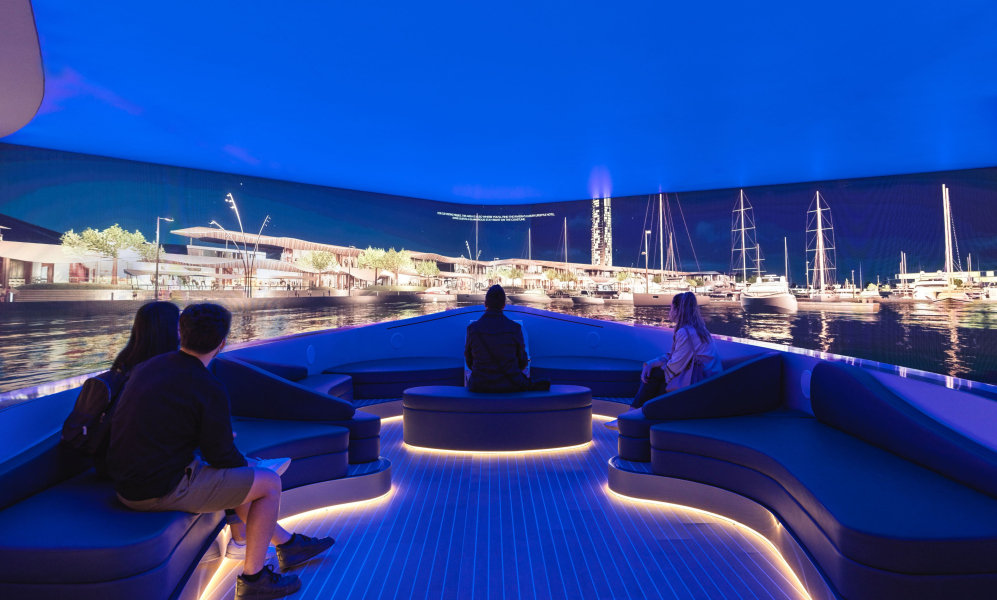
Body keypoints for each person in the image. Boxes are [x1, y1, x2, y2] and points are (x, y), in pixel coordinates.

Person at [106, 303, 333, 600]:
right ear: (223, 342)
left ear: (180, 334)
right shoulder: (207, 385)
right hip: (155, 490)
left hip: (127, 481)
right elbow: (222, 458)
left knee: (242, 479)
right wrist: (254, 467)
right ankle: (254, 579)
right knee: (267, 484)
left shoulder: (149, 367)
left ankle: (289, 545)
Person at [631, 292, 723, 408]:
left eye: (671, 307)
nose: (669, 311)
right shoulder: (697, 329)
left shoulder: (686, 332)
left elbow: (674, 366)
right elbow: (674, 356)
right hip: (709, 380)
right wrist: (650, 364)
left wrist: (656, 369)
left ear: (677, 310)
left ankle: (632, 413)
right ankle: (639, 412)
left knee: (653, 376)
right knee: (654, 375)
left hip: (700, 383)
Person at [465, 285, 549, 392]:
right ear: (504, 305)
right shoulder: (515, 328)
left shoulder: (472, 329)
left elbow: (470, 363)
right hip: (510, 385)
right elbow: (522, 363)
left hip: (479, 385)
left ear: (485, 303)